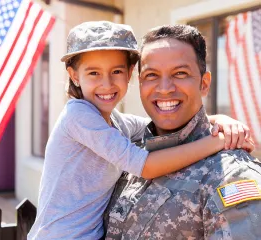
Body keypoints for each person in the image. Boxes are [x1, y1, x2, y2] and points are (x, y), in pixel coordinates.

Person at [27, 21, 253, 240]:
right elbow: (144, 165)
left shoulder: (117, 123)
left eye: (116, 71)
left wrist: (220, 119)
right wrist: (217, 141)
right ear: (74, 76)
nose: (106, 83)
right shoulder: (78, 116)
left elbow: (158, 119)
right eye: (93, 73)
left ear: (129, 73)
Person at [104, 24, 261, 239]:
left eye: (180, 73)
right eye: (151, 75)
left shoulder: (230, 175)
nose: (165, 88)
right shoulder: (129, 154)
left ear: (204, 84)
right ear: (140, 84)